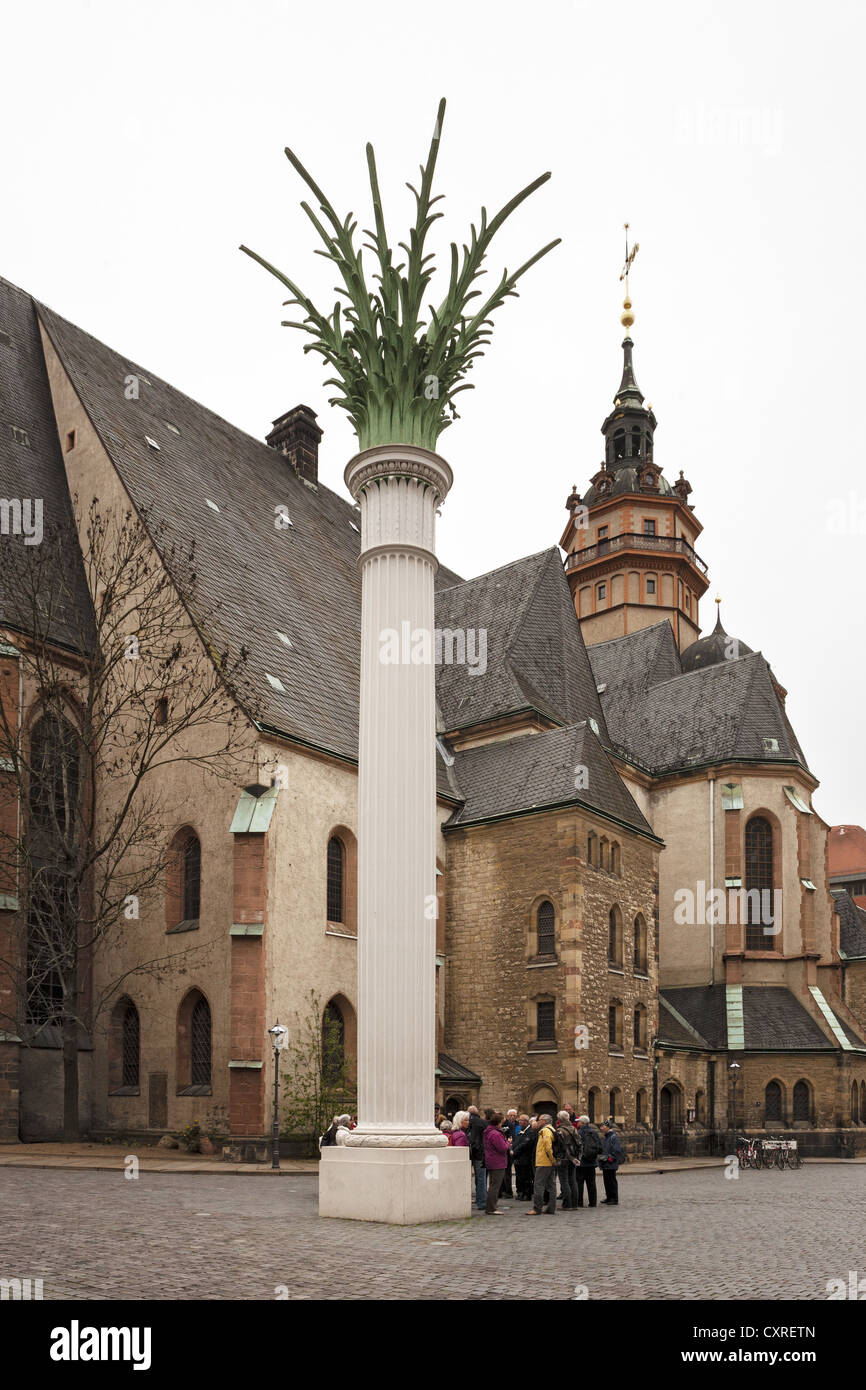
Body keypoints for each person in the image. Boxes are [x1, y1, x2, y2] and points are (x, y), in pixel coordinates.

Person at [528, 1114, 557, 1215]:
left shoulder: (545, 1131)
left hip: (544, 1162)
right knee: (551, 1185)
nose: (537, 1122)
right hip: (549, 1162)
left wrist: (552, 1159)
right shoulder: (552, 1129)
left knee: (538, 1185)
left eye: (539, 1120)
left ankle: (537, 1208)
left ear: (544, 1121)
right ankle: (551, 1208)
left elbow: (548, 1147)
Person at [482, 1110, 510, 1213]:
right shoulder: (495, 1134)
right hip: (497, 1162)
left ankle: (491, 1207)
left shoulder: (489, 1131)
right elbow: (502, 1148)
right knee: (495, 1186)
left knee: (493, 1185)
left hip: (492, 1160)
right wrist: (508, 1143)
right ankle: (491, 1208)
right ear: (499, 1123)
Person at [554, 1110, 580, 1209]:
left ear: (559, 1120)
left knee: (564, 1181)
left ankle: (567, 1204)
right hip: (573, 1158)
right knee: (572, 1180)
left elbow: (559, 1147)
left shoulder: (560, 1131)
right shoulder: (574, 1129)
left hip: (564, 1158)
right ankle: (574, 1204)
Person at [575, 1114, 601, 1208]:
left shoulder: (579, 1132)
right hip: (591, 1162)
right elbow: (600, 1147)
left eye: (579, 1122)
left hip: (581, 1162)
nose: (577, 1123)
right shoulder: (594, 1132)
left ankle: (579, 1202)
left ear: (582, 1123)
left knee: (579, 1183)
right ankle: (593, 1202)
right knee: (591, 1183)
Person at [599, 1119, 624, 1205]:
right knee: (607, 1181)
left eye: (603, 1126)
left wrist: (609, 1158)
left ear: (608, 1127)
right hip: (605, 1163)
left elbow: (616, 1151)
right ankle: (609, 1197)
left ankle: (614, 1198)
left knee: (612, 1181)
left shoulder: (613, 1137)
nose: (601, 1128)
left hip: (610, 1163)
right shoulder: (606, 1137)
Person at [467, 1105, 488, 1211]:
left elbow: (472, 1138)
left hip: (472, 1152)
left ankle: (477, 1200)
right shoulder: (483, 1122)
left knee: (468, 1178)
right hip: (481, 1153)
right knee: (481, 1178)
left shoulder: (469, 1122)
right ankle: (482, 1201)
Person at [512, 1115, 537, 1199]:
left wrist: (514, 1151)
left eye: (521, 1120)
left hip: (526, 1158)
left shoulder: (530, 1132)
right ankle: (521, 1192)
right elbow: (516, 1141)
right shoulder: (521, 1130)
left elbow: (525, 1144)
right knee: (519, 1177)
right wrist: (512, 1148)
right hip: (518, 1158)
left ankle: (527, 1194)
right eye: (519, 1120)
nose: (519, 1122)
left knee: (526, 1177)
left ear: (526, 1121)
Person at [501, 1109, 519, 1198]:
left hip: (512, 1150)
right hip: (505, 1149)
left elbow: (512, 1138)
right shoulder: (503, 1124)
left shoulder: (516, 1125)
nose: (512, 1117)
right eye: (511, 1115)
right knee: (504, 1172)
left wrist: (511, 1148)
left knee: (507, 1172)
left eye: (514, 1115)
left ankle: (508, 1191)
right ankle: (504, 1190)